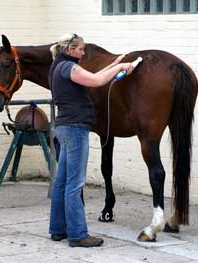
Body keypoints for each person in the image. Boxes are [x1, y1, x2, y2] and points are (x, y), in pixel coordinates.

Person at [48, 33, 133, 248]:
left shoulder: (58, 66)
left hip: (65, 127)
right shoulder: (69, 68)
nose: (83, 53)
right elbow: (95, 81)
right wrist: (121, 68)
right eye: (80, 49)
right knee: (74, 184)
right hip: (75, 129)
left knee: (62, 182)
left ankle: (58, 230)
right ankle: (77, 235)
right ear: (69, 49)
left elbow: (91, 76)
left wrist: (113, 64)